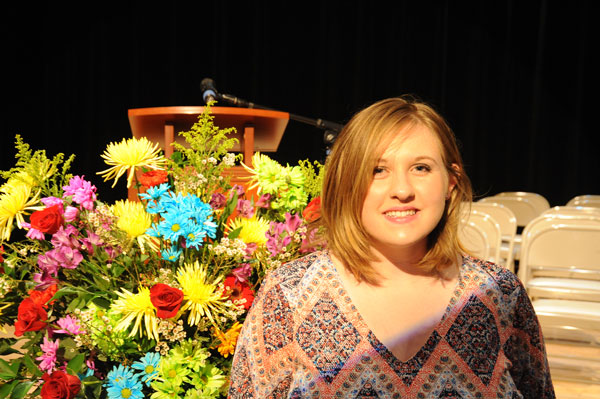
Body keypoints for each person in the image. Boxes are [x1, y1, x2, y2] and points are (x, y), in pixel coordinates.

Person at [228, 96, 555, 398]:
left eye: (421, 168)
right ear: (346, 182)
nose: (402, 189)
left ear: (451, 182)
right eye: (378, 170)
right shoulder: (290, 292)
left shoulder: (497, 290)